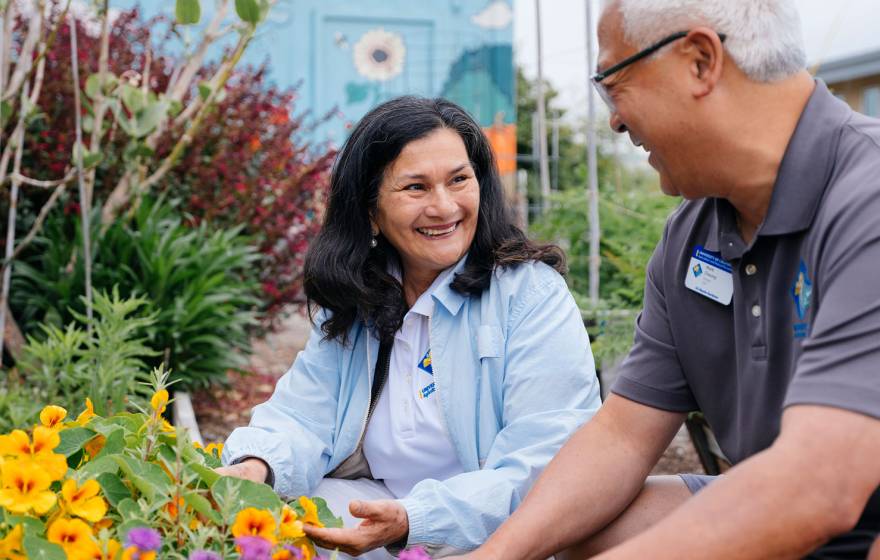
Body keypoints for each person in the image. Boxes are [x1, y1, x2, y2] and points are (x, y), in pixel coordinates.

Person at [455, 1, 880, 559]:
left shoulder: (866, 195)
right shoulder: (694, 232)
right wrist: (499, 554)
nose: (614, 120)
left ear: (700, 61)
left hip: (847, 505)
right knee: (583, 527)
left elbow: (821, 486)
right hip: (803, 502)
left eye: (613, 83)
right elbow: (624, 435)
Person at [218, 96, 602, 558]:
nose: (444, 207)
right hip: (380, 512)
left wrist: (415, 520)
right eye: (416, 187)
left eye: (459, 180)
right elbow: (304, 414)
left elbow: (546, 462)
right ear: (370, 210)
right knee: (253, 536)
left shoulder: (530, 296)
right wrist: (256, 463)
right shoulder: (360, 295)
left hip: (495, 536)